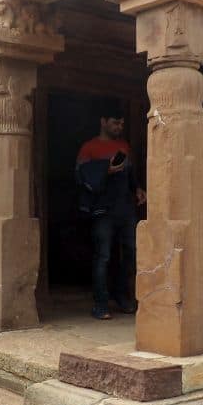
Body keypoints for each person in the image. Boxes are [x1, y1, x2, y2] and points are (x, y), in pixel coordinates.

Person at [76, 106, 146, 320]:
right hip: (102, 210)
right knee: (103, 256)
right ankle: (100, 303)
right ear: (103, 121)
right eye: (116, 122)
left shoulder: (123, 145)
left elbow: (130, 174)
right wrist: (105, 170)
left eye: (122, 124)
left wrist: (139, 189)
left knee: (132, 253)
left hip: (125, 209)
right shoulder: (89, 148)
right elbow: (80, 177)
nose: (119, 127)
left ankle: (123, 296)